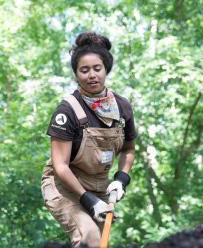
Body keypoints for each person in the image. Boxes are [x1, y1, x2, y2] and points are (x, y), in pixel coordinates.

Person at [41, 31, 137, 247]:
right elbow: (60, 165)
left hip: (99, 187)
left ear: (106, 69)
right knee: (90, 239)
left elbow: (128, 149)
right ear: (76, 74)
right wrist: (88, 200)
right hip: (63, 187)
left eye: (97, 68)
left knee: (101, 242)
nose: (91, 75)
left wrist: (121, 179)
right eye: (84, 70)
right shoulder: (67, 111)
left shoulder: (122, 108)